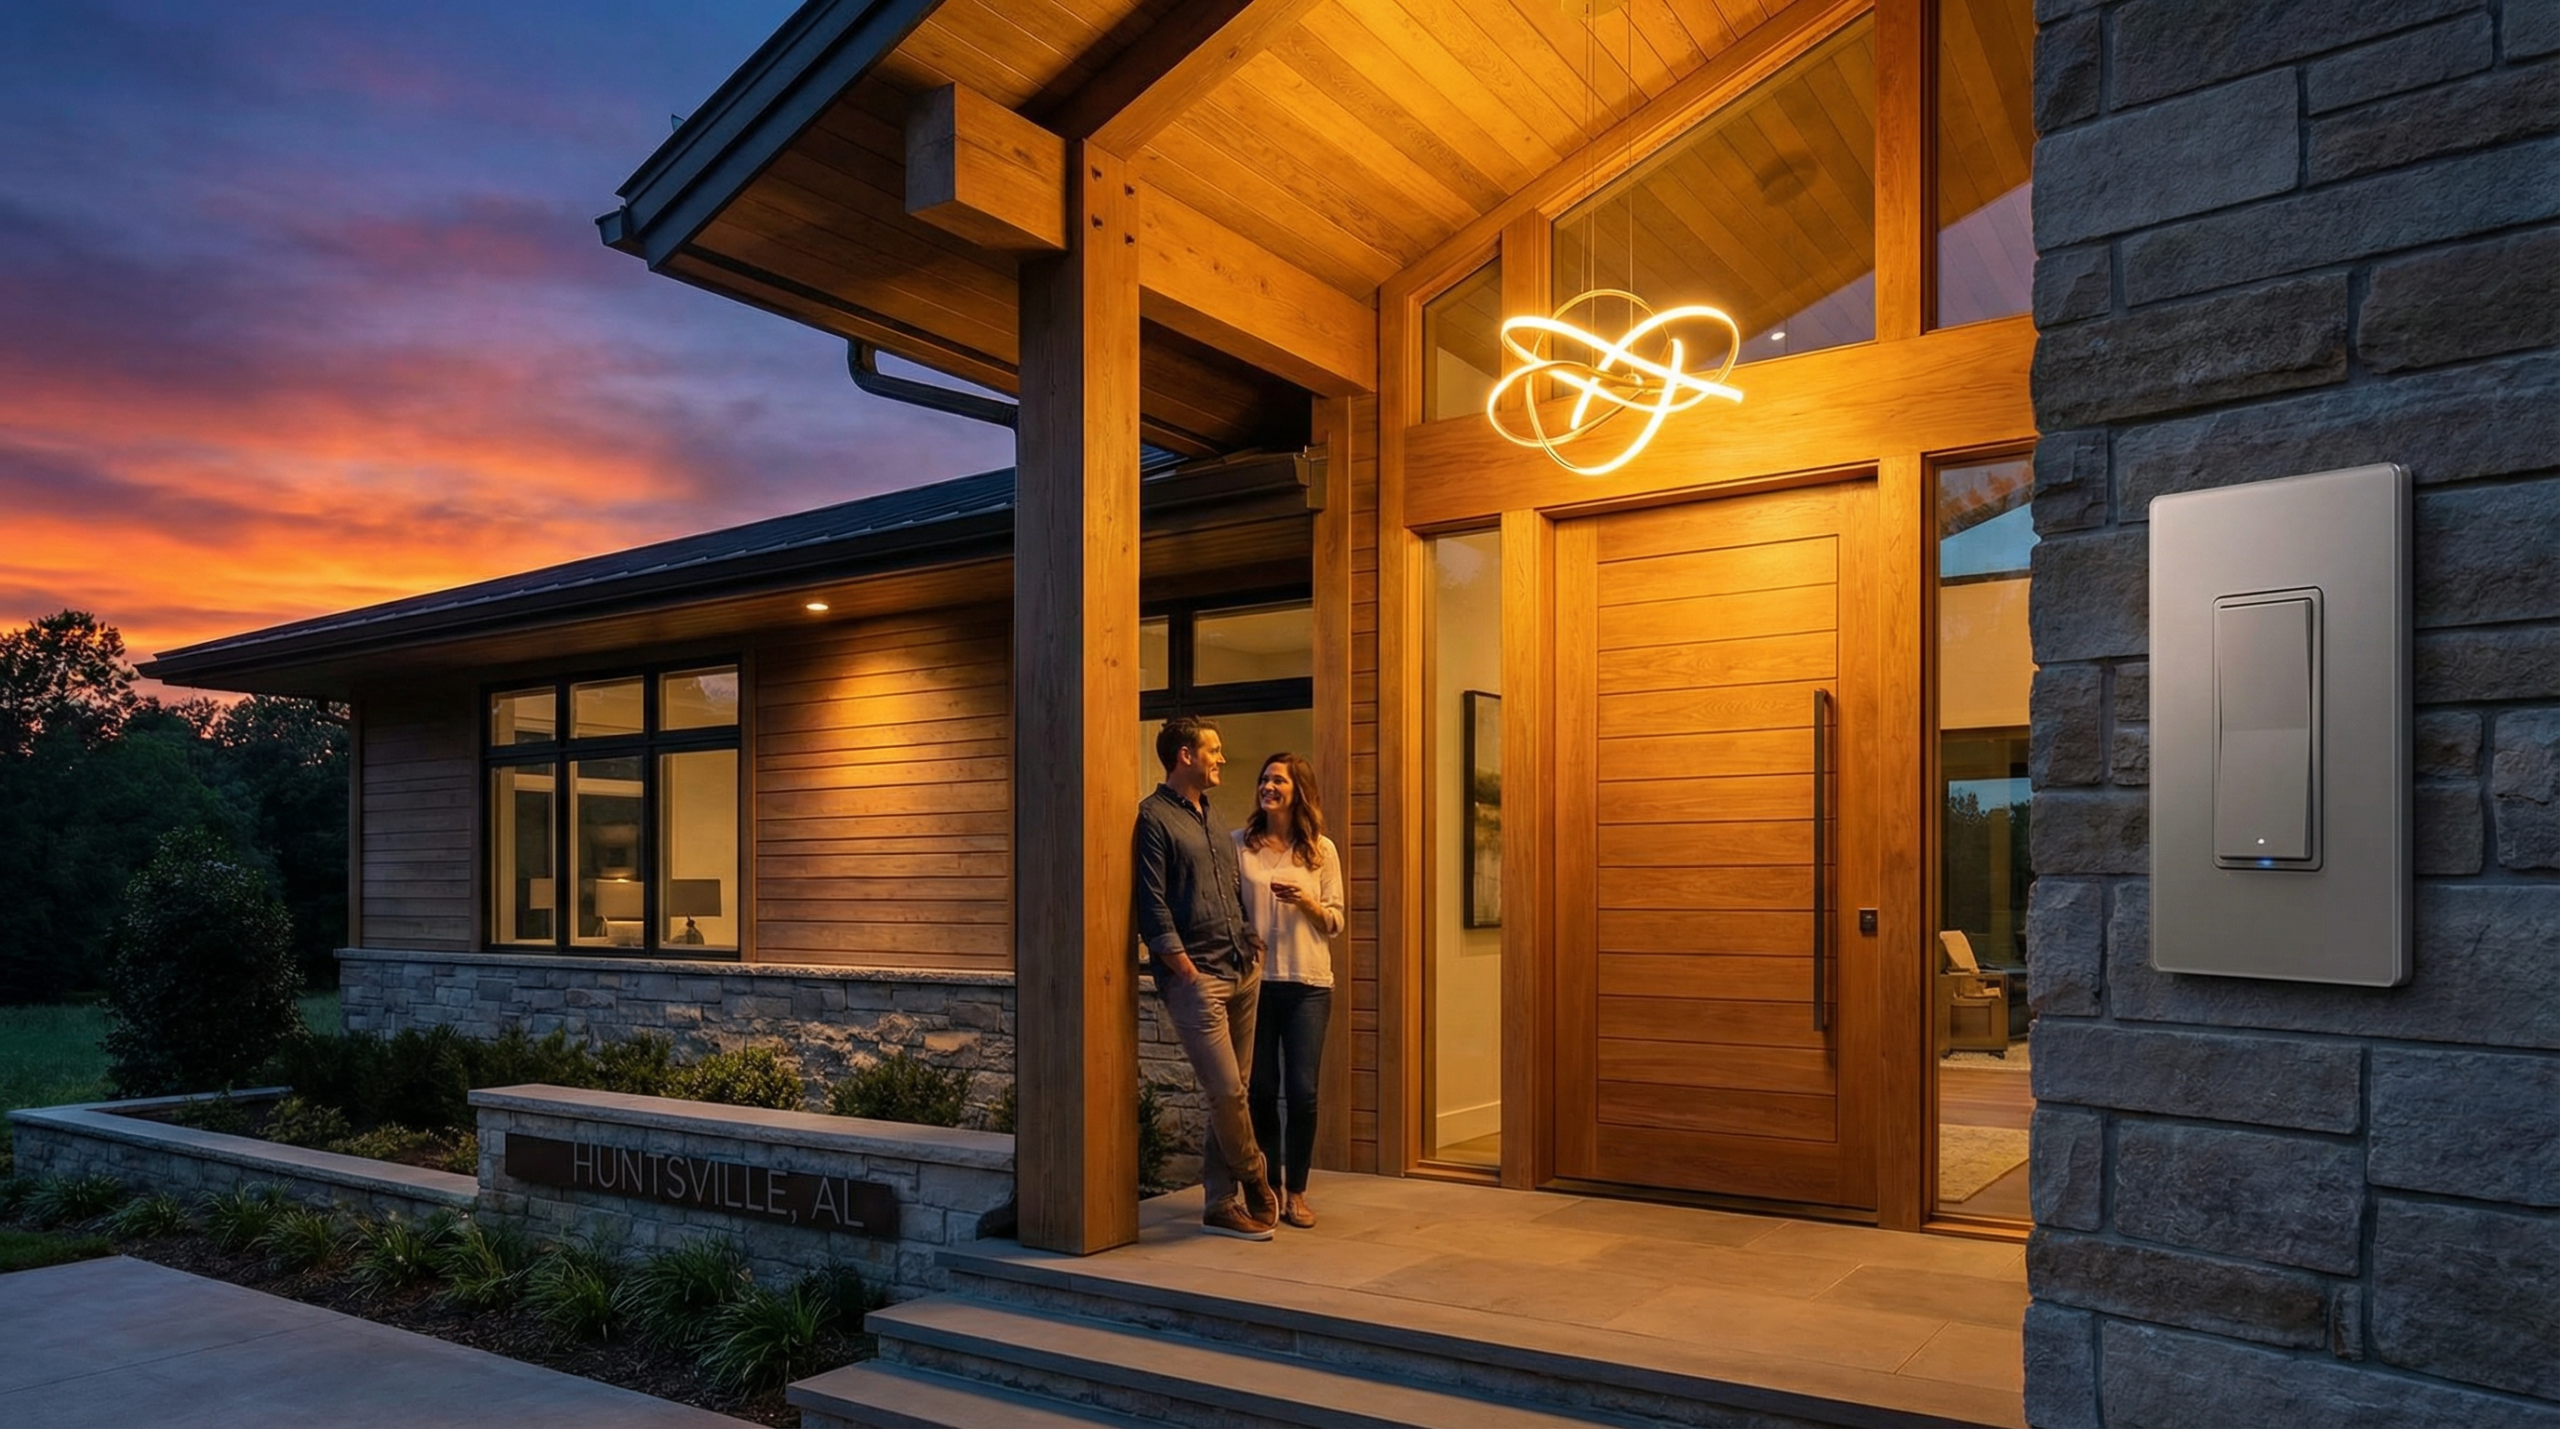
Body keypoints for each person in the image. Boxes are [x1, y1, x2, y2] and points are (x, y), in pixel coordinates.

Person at [1133, 715, 1278, 1240]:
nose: (1221, 758)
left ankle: (1220, 1203)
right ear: (1185, 756)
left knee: (1233, 1093)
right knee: (1227, 1092)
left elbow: (1230, 888)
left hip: (1240, 967)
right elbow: (1151, 902)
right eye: (1213, 750)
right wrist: (1184, 969)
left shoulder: (1213, 816)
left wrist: (1250, 937)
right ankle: (1255, 1175)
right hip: (1197, 979)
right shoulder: (1153, 818)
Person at [1236, 753, 1343, 1230]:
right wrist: (1243, 934)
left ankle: (1297, 1192)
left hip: (1308, 985)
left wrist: (1306, 902)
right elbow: (1230, 910)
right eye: (1264, 779)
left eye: (1278, 780)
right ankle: (1269, 1190)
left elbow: (1335, 921)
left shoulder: (1321, 850)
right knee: (1261, 1092)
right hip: (1256, 984)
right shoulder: (1240, 845)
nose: (1268, 786)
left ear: (1298, 790)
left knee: (1302, 1093)